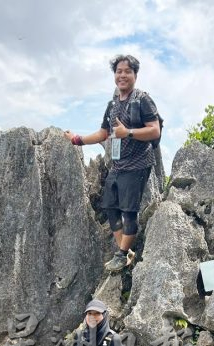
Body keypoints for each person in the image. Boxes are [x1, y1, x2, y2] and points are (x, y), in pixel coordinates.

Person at [64, 54, 160, 273]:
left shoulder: (142, 100)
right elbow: (103, 133)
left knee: (129, 211)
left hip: (137, 164)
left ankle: (122, 254)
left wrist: (129, 132)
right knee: (109, 206)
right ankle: (125, 251)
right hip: (118, 165)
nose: (122, 75)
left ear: (135, 74)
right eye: (119, 71)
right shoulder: (113, 104)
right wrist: (78, 140)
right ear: (114, 75)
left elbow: (155, 130)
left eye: (127, 71)